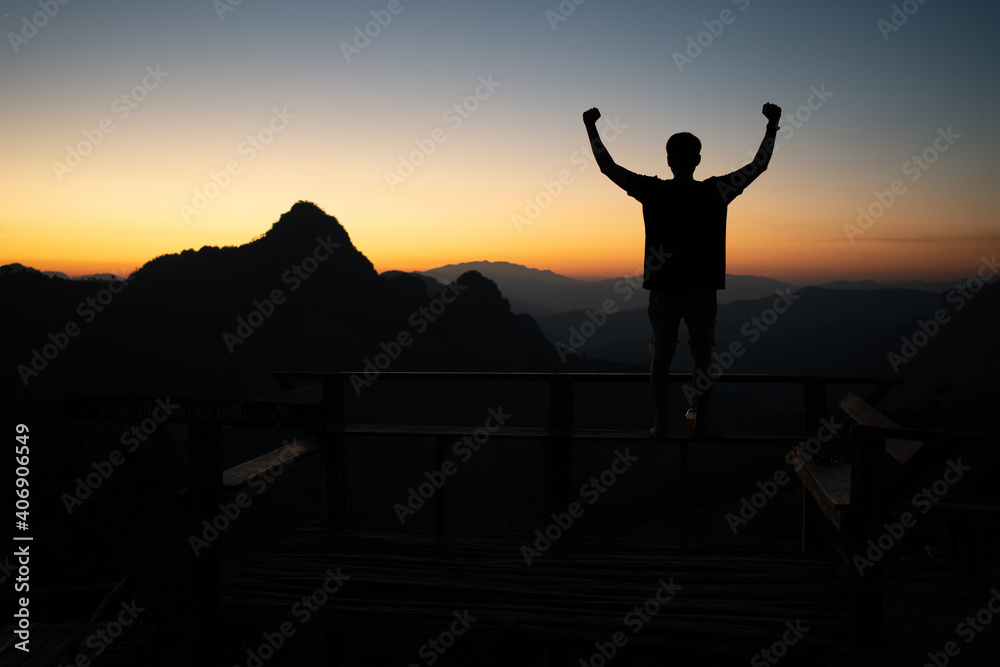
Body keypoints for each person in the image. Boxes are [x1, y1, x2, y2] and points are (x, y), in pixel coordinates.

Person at [583, 103, 781, 440]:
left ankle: (661, 423)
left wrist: (591, 126)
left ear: (669, 160)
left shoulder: (655, 191)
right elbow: (758, 166)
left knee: (661, 356)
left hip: (663, 288)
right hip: (702, 288)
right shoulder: (715, 191)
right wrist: (772, 124)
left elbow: (607, 167)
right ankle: (701, 423)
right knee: (702, 358)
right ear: (698, 159)